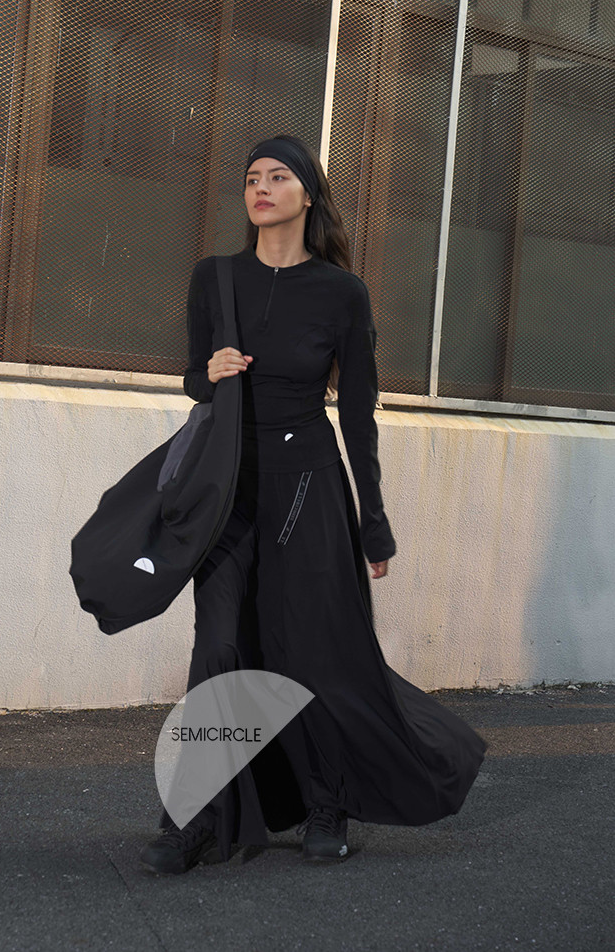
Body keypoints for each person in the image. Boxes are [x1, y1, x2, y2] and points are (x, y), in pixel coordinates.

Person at [139, 135, 487, 875]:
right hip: (228, 492)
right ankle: (195, 815)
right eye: (251, 178)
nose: (260, 188)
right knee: (219, 649)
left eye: (278, 176)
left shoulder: (341, 293)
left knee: (312, 652)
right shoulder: (215, 278)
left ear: (307, 194)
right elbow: (195, 382)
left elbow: (358, 413)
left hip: (308, 489)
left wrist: (374, 523)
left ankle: (328, 802)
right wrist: (210, 372)